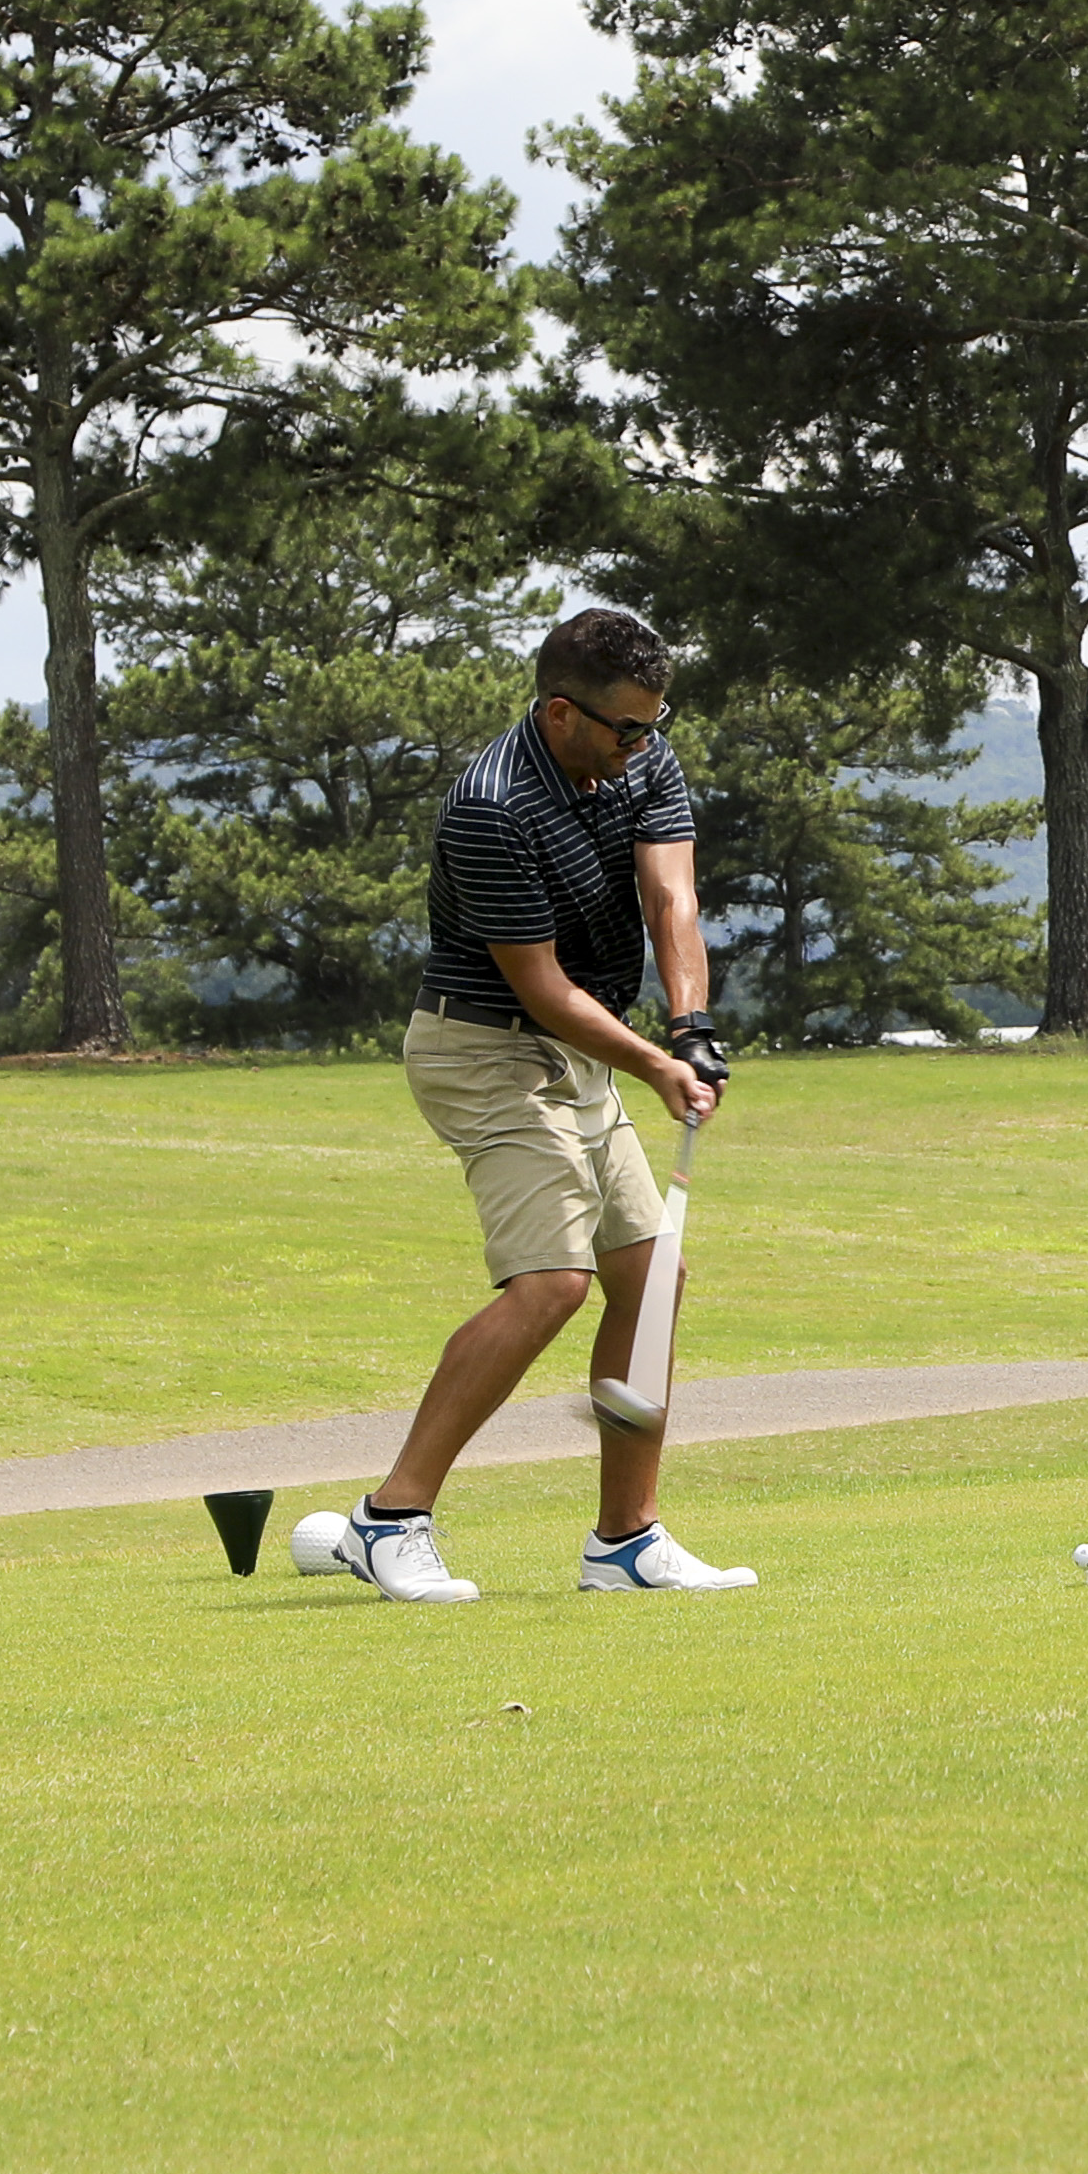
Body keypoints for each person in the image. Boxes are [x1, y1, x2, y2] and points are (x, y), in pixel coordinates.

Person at [337, 608, 751, 1602]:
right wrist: (656, 1066)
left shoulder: (642, 759)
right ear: (562, 714)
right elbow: (540, 989)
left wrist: (690, 1026)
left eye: (655, 725)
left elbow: (671, 901)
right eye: (627, 730)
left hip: (578, 1055)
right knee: (551, 1284)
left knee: (652, 1276)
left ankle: (624, 1539)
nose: (644, 746)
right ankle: (387, 1518)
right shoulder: (491, 806)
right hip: (484, 1051)